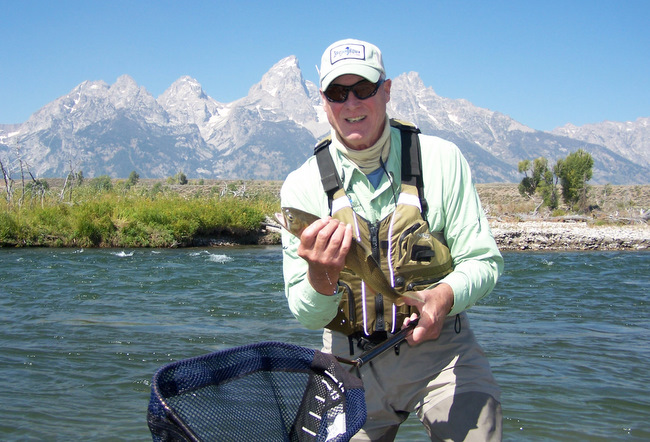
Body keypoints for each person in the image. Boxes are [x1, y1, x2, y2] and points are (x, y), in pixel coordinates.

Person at [279, 38, 504, 441]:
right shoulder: (300, 186)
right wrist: (320, 276)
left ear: (386, 90)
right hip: (349, 364)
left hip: (444, 351)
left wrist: (444, 297)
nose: (351, 104)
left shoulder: (442, 159)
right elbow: (308, 316)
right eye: (337, 93)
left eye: (363, 89)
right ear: (323, 100)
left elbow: (484, 261)